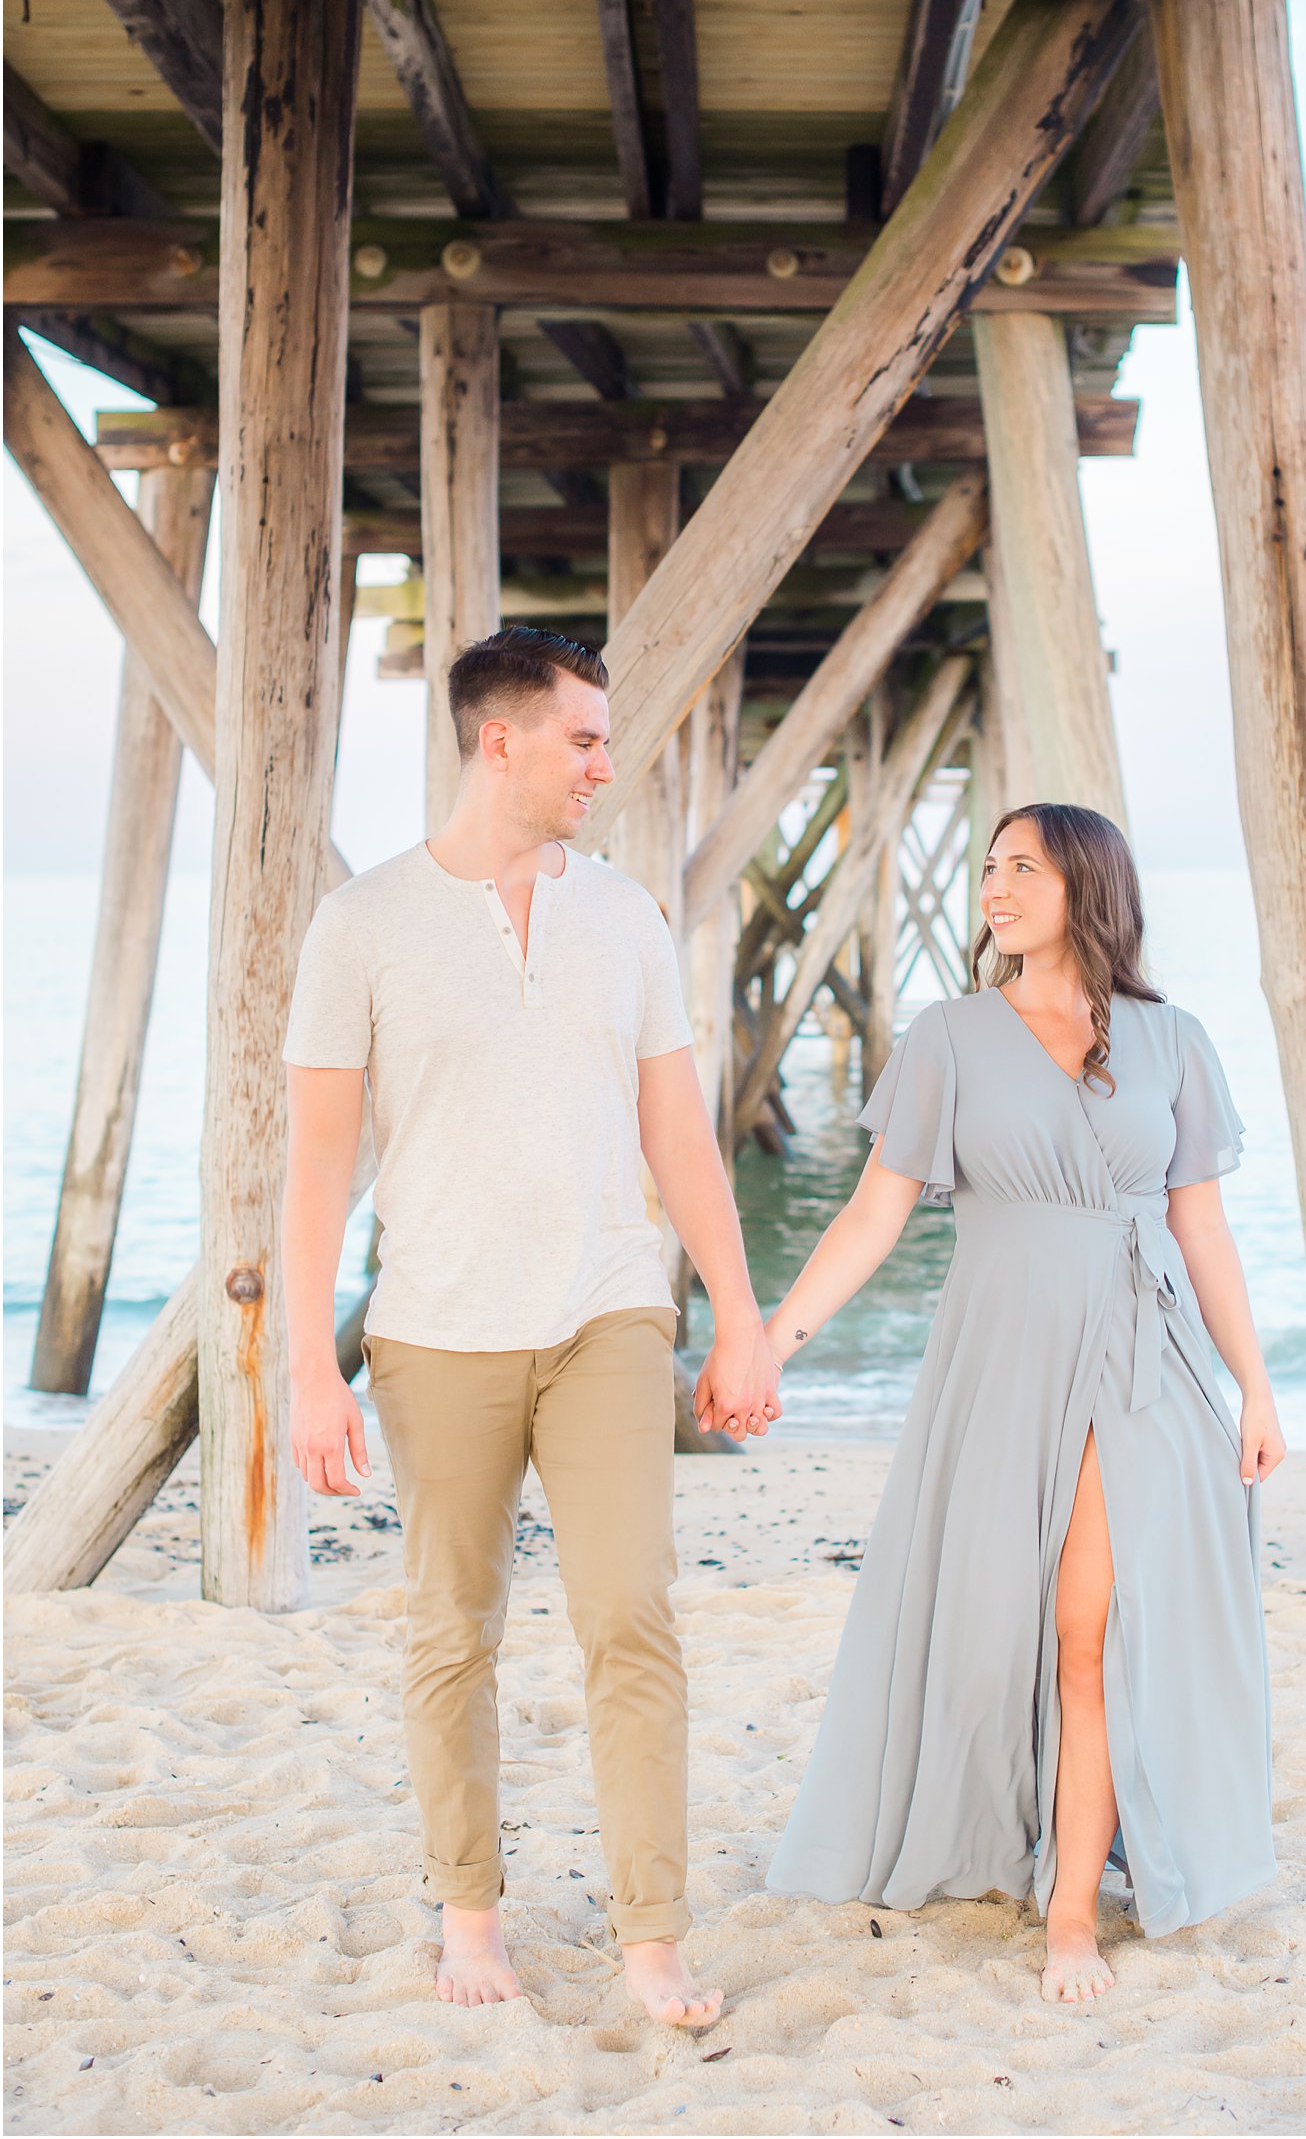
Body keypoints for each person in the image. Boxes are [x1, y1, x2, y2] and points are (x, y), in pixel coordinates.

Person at [280, 626, 778, 2025]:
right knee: (452, 1632)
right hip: (433, 1331)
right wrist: (308, 1366)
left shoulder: (623, 917)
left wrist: (736, 1318)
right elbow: (319, 1163)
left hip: (609, 1311)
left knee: (633, 1617)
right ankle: (470, 1919)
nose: (605, 766)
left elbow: (677, 1130)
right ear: (500, 741)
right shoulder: (361, 925)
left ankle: (652, 1938)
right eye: (585, 739)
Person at [750, 803, 1284, 2006]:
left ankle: (1071, 1912)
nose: (993, 887)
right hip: (1001, 1360)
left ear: (1082, 886)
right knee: (999, 1627)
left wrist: (1253, 1385)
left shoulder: (1172, 1039)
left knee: (1087, 1634)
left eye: (1020, 868)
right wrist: (774, 1341)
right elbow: (875, 1213)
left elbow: (1200, 1225)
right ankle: (1005, 1834)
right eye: (986, 867)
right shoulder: (947, 1036)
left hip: (1145, 1359)